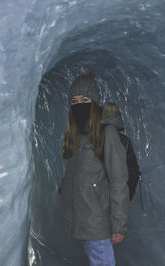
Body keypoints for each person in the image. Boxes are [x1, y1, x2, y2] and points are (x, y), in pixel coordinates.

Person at [59, 68, 130, 266]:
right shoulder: (77, 137)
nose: (78, 106)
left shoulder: (107, 134)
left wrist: (119, 224)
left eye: (84, 101)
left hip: (97, 224)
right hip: (81, 220)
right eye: (74, 102)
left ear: (95, 103)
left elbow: (118, 180)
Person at [101, 103, 141, 202]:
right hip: (116, 196)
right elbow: (133, 171)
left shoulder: (92, 139)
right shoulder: (124, 141)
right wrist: (127, 197)